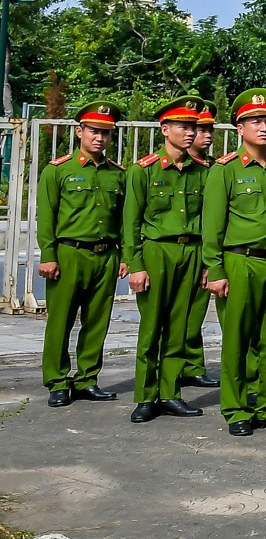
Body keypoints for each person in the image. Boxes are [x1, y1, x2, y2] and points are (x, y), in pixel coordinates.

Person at [202, 89, 266, 435]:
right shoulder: (226, 170)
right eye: (255, 121)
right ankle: (236, 407)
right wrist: (215, 270)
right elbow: (212, 226)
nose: (264, 127)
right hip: (240, 262)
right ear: (240, 128)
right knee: (237, 338)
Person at [123, 95, 210, 422]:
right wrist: (136, 265)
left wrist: (206, 263)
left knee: (179, 326)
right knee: (151, 327)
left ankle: (170, 392)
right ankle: (146, 396)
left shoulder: (202, 172)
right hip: (156, 251)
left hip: (192, 251)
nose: (189, 133)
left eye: (193, 127)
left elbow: (209, 220)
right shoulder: (142, 170)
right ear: (165, 129)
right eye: (182, 126)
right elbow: (130, 223)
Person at [39, 99, 128, 408]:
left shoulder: (118, 174)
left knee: (97, 321)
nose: (99, 138)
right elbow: (47, 217)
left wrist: (125, 255)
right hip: (69, 253)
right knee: (61, 321)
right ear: (79, 132)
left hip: (106, 255)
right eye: (93, 131)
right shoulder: (58, 171)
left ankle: (87, 378)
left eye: (106, 133)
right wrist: (48, 255)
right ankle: (57, 380)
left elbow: (124, 219)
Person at [177, 104, 218, 390]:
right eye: (199, 128)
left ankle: (192, 364)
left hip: (201, 250)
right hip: (170, 249)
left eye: (208, 129)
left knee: (195, 313)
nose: (205, 135)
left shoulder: (212, 169)